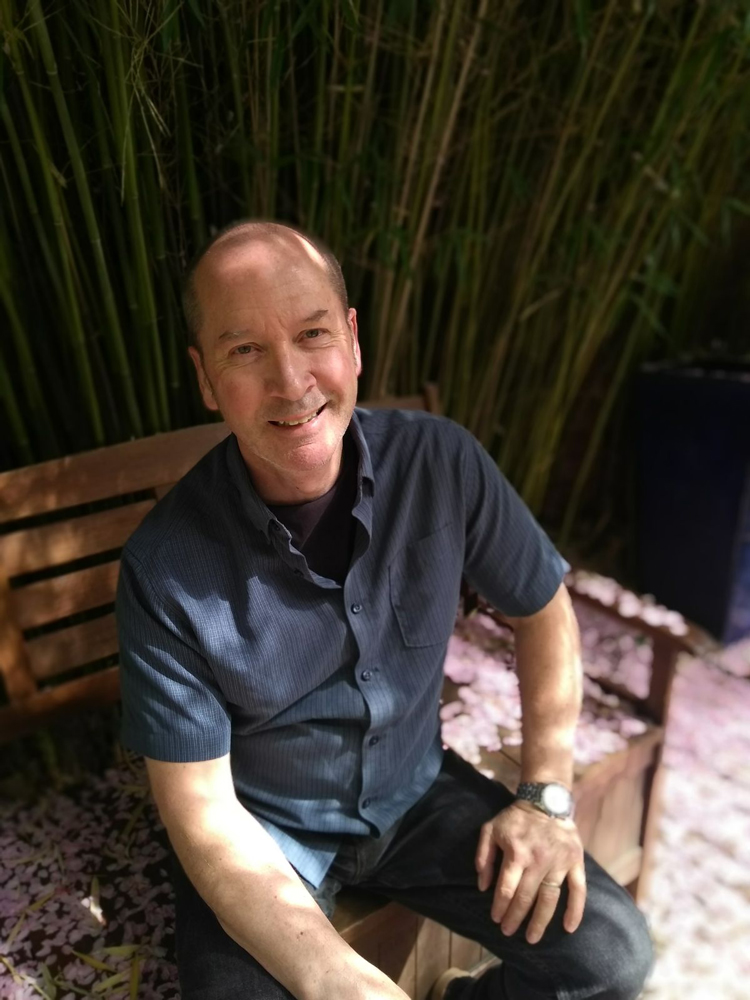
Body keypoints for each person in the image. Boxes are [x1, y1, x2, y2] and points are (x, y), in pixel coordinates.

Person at [116, 220, 654, 1000]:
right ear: (205, 380)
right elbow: (201, 815)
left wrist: (544, 796)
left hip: (416, 792)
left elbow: (544, 612)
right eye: (245, 352)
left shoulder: (442, 462)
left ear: (354, 341)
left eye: (312, 335)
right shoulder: (166, 567)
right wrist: (337, 979)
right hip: (260, 833)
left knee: (613, 960)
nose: (292, 381)